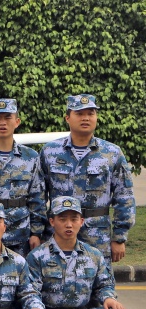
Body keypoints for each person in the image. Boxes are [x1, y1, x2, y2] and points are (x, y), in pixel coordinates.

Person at [40, 94, 135, 263]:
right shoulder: (49, 152)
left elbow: (124, 197)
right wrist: (37, 231)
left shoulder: (111, 153)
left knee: (99, 284)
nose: (85, 118)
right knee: (57, 283)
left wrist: (119, 237)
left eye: (90, 113)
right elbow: (38, 195)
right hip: (59, 234)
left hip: (97, 236)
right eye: (79, 114)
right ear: (68, 118)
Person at [0, 98, 46, 258]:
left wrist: (36, 232)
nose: (2, 123)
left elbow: (37, 197)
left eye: (7, 118)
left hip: (21, 233)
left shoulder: (30, 157)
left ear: (17, 122)